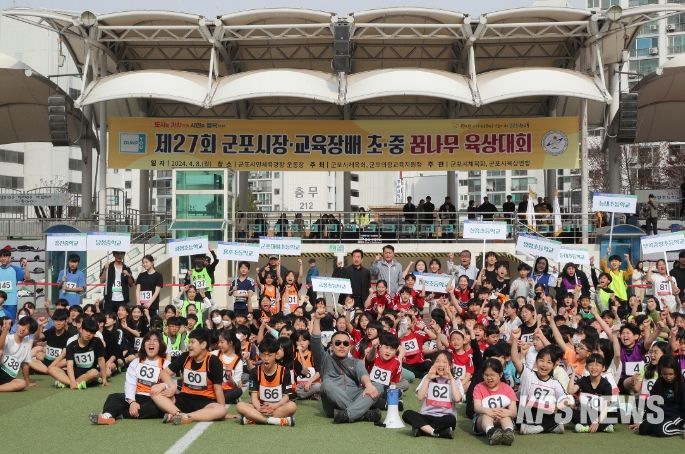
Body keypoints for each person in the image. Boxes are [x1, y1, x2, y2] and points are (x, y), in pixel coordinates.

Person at [311, 305, 383, 424]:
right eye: (337, 343)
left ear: (349, 347)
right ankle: (361, 413)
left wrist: (369, 385)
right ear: (332, 346)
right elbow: (315, 342)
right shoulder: (324, 359)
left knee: (378, 386)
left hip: (354, 395)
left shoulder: (355, 362)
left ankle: (349, 414)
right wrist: (317, 319)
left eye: (345, 343)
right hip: (333, 402)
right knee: (326, 384)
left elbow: (363, 375)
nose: (341, 346)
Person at [89, 331, 170, 424]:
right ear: (144, 345)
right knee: (114, 397)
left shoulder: (166, 364)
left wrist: (164, 385)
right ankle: (107, 416)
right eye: (148, 340)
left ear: (160, 345)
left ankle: (119, 413)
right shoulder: (136, 362)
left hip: (155, 398)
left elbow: (172, 386)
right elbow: (130, 383)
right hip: (136, 395)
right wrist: (132, 402)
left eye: (155, 341)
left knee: (156, 408)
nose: (151, 343)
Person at [152, 328, 227, 424]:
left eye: (192, 342)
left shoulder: (214, 361)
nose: (189, 345)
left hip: (206, 402)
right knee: (154, 392)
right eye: (188, 342)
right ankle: (177, 413)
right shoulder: (185, 356)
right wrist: (172, 386)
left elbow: (218, 389)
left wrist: (223, 411)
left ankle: (186, 416)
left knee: (221, 409)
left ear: (203, 345)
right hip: (184, 399)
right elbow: (164, 373)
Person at [236, 336, 296, 426]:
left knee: (292, 406)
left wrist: (274, 406)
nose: (266, 358)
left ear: (276, 355)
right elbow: (254, 397)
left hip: (277, 406)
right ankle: (275, 421)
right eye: (263, 355)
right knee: (239, 406)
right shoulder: (255, 372)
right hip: (259, 406)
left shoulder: (284, 371)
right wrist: (259, 409)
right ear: (260, 355)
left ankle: (254, 419)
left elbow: (286, 397)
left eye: (269, 355)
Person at [401, 350, 462, 439]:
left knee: (451, 419)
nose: (441, 364)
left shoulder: (455, 380)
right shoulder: (427, 377)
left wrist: (451, 379)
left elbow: (457, 399)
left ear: (451, 365)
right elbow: (420, 397)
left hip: (445, 417)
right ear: (433, 364)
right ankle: (436, 432)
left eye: (444, 362)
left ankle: (422, 429)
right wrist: (428, 379)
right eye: (437, 361)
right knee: (407, 414)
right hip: (426, 416)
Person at [633, 355, 684, 437]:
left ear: (676, 371)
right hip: (661, 414)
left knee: (661, 430)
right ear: (660, 371)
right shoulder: (659, 382)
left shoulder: (682, 383)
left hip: (677, 415)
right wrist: (644, 420)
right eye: (665, 374)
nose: (668, 377)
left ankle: (681, 430)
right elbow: (652, 402)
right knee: (643, 428)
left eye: (671, 374)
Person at [49, 317, 107, 389]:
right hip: (74, 374)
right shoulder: (71, 345)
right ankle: (73, 383)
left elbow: (101, 360)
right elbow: (69, 365)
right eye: (86, 330)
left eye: (92, 332)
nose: (88, 334)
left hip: (88, 374)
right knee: (51, 369)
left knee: (94, 373)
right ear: (81, 329)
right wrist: (72, 380)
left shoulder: (97, 342)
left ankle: (66, 383)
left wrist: (104, 378)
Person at [472, 358, 517, 445]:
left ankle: (509, 432)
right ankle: (491, 432)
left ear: (500, 375)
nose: (489, 378)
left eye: (492, 375)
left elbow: (514, 411)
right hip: (482, 420)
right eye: (486, 375)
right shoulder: (479, 387)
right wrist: (487, 411)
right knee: (486, 416)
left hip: (501, 419)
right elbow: (476, 407)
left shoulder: (508, 389)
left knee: (505, 417)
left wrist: (507, 412)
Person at [0, 316, 37, 391]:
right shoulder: (7, 338)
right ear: (17, 325)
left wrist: (27, 382)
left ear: (29, 333)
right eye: (22, 325)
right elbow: (0, 347)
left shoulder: (27, 345)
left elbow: (25, 365)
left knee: (22, 383)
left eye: (27, 328)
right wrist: (5, 330)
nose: (23, 329)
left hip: (9, 379)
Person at [212, 328, 244, 405]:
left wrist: (229, 376)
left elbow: (234, 385)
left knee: (238, 391)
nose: (219, 345)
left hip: (227, 391)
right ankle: (220, 400)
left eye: (222, 342)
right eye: (219, 342)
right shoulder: (215, 354)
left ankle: (217, 401)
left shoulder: (238, 361)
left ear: (230, 343)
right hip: (215, 388)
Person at [0, 248, 25, 321]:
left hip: (11, 302)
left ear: (9, 258)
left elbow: (26, 278)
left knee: (11, 322)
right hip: (0, 302)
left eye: (5, 256)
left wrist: (25, 266)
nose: (2, 258)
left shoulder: (16, 269)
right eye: (1, 256)